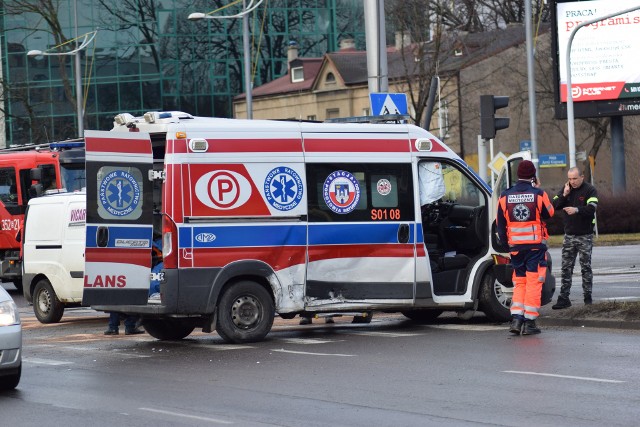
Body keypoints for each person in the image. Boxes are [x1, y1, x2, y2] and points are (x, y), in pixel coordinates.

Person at [496, 160, 555, 335]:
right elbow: (549, 213)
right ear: (533, 175)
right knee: (534, 282)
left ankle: (516, 319)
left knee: (519, 282)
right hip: (535, 248)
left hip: (516, 248)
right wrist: (538, 188)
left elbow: (500, 224)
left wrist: (507, 245)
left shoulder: (505, 196)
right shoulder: (538, 194)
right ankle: (529, 322)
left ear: (517, 175)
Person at [551, 167, 598, 309]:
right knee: (566, 268)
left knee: (585, 267)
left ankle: (588, 298)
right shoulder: (566, 189)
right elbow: (554, 206)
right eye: (570, 179)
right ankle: (564, 298)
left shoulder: (590, 190)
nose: (572, 182)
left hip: (585, 235)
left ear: (582, 177)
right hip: (569, 236)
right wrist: (564, 195)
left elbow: (592, 208)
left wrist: (576, 209)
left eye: (575, 178)